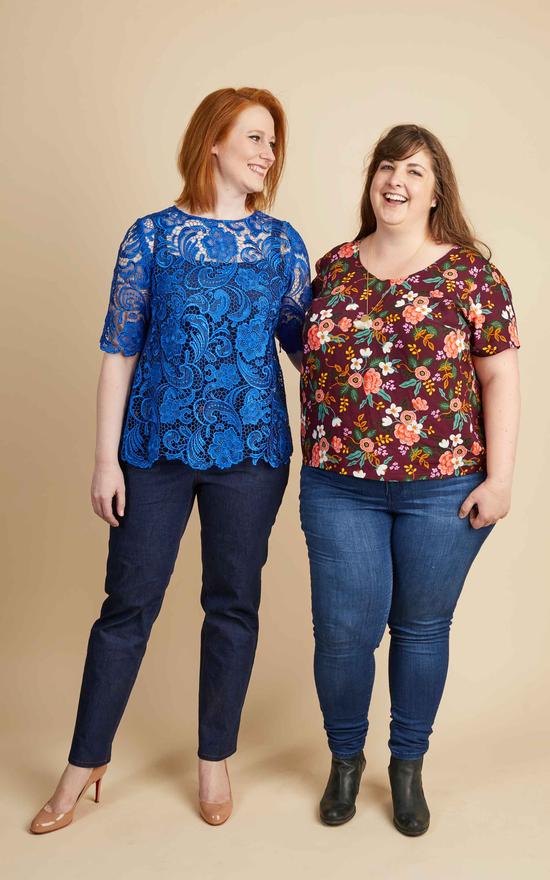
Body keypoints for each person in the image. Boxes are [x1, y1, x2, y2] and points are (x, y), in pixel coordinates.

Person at [30, 87, 311, 833]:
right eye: (254, 137)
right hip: (153, 450)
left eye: (273, 142)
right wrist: (105, 461)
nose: (267, 154)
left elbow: (308, 351)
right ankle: (85, 761)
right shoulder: (150, 238)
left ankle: (214, 758)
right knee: (127, 605)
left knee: (233, 604)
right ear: (212, 141)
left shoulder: (281, 244)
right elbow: (119, 351)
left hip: (252, 451)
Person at [299, 124, 520, 834]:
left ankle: (407, 767)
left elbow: (500, 378)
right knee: (343, 633)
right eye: (388, 167)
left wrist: (500, 480)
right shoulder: (333, 268)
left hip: (444, 488)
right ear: (373, 180)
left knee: (421, 629)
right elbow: (313, 358)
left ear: (435, 192)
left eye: (415, 171)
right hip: (339, 483)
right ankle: (344, 762)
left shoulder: (473, 275)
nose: (397, 181)